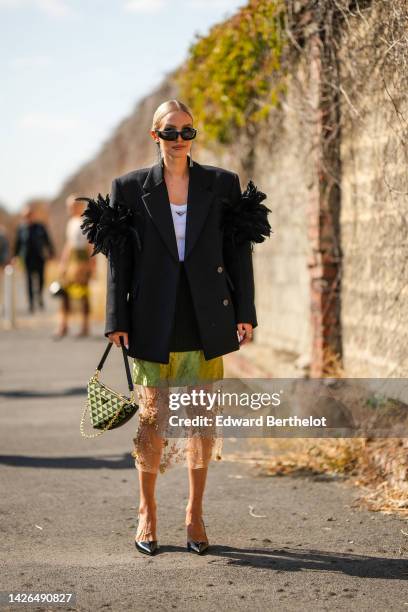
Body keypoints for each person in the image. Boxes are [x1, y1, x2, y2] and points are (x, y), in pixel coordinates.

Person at [103, 99, 266, 556]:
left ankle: (194, 514)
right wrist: (116, 318)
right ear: (155, 136)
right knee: (153, 420)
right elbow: (119, 261)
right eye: (171, 132)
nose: (179, 140)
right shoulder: (129, 188)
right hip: (151, 318)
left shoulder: (221, 184)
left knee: (201, 419)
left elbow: (239, 253)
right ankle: (147, 511)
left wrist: (244, 311)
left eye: (187, 132)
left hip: (206, 314)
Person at [54, 195, 96, 339]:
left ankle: (85, 326)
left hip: (82, 261)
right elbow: (69, 244)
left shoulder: (86, 221)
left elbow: (91, 244)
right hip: (71, 260)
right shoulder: (71, 222)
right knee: (64, 291)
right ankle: (63, 325)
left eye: (72, 206)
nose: (69, 209)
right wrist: (63, 263)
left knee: (83, 294)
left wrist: (91, 265)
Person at [12, 205, 55, 313]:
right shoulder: (21, 229)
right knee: (29, 281)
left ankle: (39, 296)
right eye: (26, 215)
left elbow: (47, 240)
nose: (28, 217)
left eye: (29, 215)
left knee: (41, 279)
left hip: (39, 257)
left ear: (33, 215)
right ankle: (31, 304)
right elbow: (17, 244)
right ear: (23, 216)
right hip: (27, 258)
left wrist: (51, 252)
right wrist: (15, 256)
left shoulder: (40, 227)